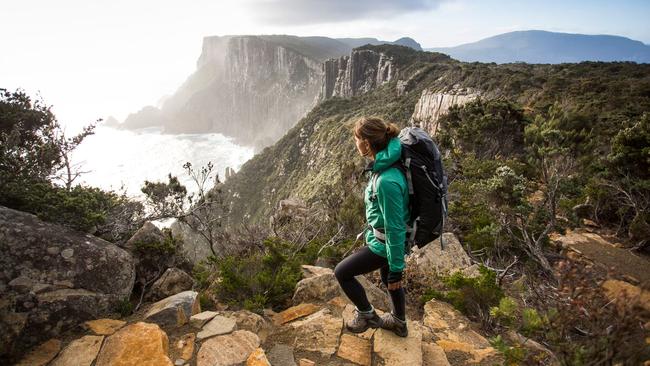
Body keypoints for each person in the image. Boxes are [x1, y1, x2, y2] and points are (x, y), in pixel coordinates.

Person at [334, 116, 410, 337]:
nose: (354, 143)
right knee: (389, 281)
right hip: (384, 240)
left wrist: (397, 267)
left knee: (342, 272)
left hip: (386, 244)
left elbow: (395, 227)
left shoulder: (387, 180)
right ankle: (399, 322)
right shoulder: (386, 162)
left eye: (356, 138)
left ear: (366, 143)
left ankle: (367, 314)